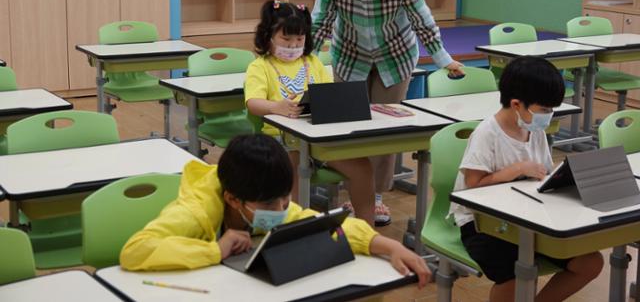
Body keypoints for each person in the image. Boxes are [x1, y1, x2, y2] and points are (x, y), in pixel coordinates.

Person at [120, 134, 431, 289]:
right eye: (270, 205)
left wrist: (386, 245)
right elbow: (134, 251)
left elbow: (318, 224)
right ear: (232, 199)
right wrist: (214, 250)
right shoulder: (195, 209)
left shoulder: (268, 199)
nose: (281, 210)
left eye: (284, 199)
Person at [311, 0, 464, 225]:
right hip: (349, 52)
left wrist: (443, 59)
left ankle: (376, 196)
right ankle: (350, 188)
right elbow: (323, 16)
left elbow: (421, 17)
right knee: (348, 123)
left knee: (383, 128)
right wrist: (307, 59)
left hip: (394, 55)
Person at [450, 56, 603, 302]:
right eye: (544, 110)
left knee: (590, 262)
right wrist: (516, 169)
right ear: (517, 104)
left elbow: (542, 174)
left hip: (529, 218)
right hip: (482, 223)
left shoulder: (535, 130)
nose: (548, 116)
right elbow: (473, 185)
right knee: (516, 277)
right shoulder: (487, 134)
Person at [244, 0, 375, 226]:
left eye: (300, 39)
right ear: (268, 36)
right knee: (291, 165)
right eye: (286, 38)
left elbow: (329, 93)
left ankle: (367, 229)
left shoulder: (313, 62)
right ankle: (294, 228)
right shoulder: (260, 66)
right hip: (282, 141)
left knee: (362, 167)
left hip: (320, 140)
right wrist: (276, 107)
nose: (293, 45)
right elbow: (253, 102)